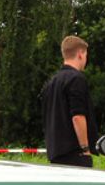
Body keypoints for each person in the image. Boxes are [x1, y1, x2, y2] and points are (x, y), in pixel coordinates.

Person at [40, 35, 98, 167]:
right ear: (80, 54)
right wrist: (85, 148)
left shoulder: (51, 83)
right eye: (86, 55)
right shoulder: (76, 79)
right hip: (75, 154)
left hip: (55, 154)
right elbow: (77, 116)